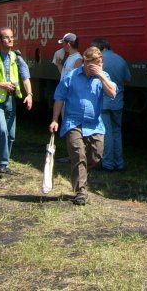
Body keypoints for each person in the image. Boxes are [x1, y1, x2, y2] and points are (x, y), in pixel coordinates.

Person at [49, 46, 116, 206]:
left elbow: (113, 93)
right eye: (94, 64)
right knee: (79, 155)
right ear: (85, 63)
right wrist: (54, 120)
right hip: (74, 122)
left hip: (94, 125)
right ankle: (81, 192)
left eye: (100, 64)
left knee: (96, 156)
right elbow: (59, 98)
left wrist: (101, 75)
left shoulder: (102, 77)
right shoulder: (71, 77)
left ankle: (80, 172)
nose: (98, 67)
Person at [0, 27, 33, 175]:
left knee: (11, 135)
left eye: (11, 36)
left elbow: (25, 78)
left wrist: (29, 94)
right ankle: (3, 163)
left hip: (11, 100)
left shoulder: (17, 58)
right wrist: (1, 84)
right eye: (6, 37)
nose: (10, 39)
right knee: (1, 129)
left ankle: (3, 164)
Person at [91, 37, 131, 172]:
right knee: (117, 132)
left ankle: (108, 164)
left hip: (103, 102)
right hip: (118, 102)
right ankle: (119, 163)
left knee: (106, 133)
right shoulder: (120, 59)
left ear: (99, 48)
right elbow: (128, 78)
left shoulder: (98, 61)